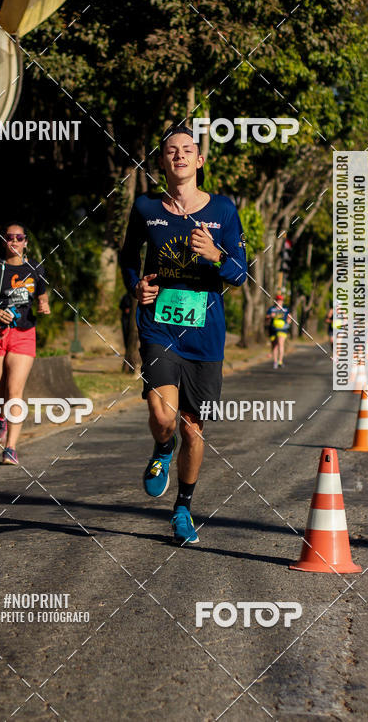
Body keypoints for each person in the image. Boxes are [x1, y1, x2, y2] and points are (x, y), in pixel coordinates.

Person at [120, 124, 247, 546]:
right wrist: (136, 286)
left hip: (205, 333)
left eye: (187, 150)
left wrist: (215, 256)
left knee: (193, 428)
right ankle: (161, 448)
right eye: (170, 151)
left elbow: (241, 272)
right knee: (162, 417)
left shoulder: (224, 211)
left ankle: (183, 508)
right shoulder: (144, 208)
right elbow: (127, 259)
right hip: (159, 325)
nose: (179, 156)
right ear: (161, 162)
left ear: (200, 160)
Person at [0, 222, 50, 464]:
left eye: (19, 237)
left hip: (23, 334)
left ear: (26, 242)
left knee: (14, 391)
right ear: (4, 242)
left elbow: (42, 292)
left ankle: (11, 448)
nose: (14, 241)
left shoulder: (35, 268)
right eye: (9, 238)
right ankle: (1, 417)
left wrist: (43, 304)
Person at [266, 294, 291, 368]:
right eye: (278, 300)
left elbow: (290, 318)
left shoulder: (286, 309)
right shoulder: (271, 309)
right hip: (273, 329)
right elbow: (266, 318)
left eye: (281, 300)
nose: (279, 302)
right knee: (274, 346)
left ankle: (280, 361)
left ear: (282, 301)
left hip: (282, 329)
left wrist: (289, 321)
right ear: (275, 301)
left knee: (280, 343)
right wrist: (270, 316)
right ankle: (275, 362)